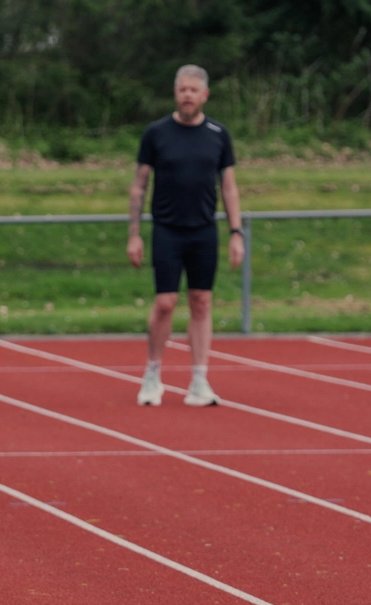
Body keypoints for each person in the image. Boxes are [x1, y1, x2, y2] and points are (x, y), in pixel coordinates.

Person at [127, 64, 244, 407]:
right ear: (175, 93)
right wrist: (134, 234)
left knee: (201, 302)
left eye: (194, 90)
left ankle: (199, 379)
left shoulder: (218, 135)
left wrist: (236, 232)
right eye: (182, 90)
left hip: (204, 230)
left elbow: (229, 187)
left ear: (205, 95)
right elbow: (138, 186)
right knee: (166, 303)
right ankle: (152, 373)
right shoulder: (156, 133)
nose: (188, 95)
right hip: (167, 229)